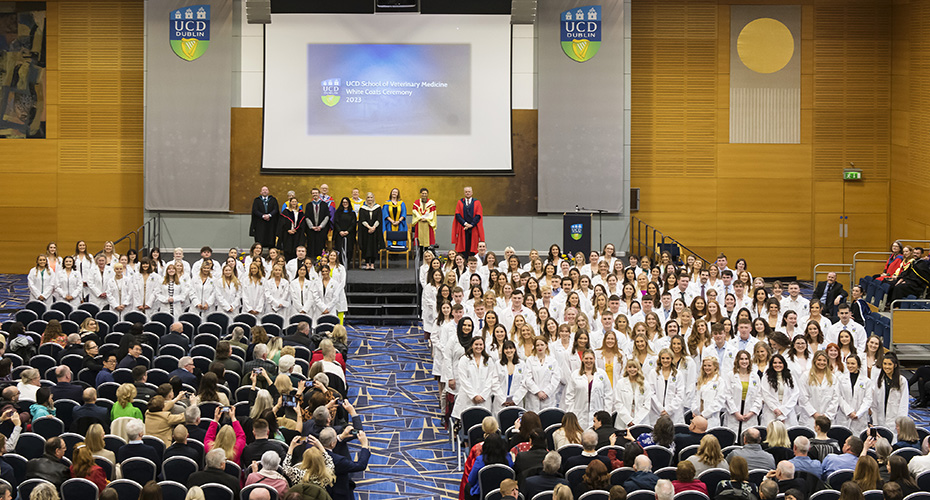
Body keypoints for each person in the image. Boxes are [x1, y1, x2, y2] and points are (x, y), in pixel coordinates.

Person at [323, 426, 370, 500]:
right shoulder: (339, 461)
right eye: (336, 438)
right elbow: (360, 465)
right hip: (338, 494)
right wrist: (365, 446)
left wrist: (341, 437)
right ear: (332, 444)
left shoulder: (312, 450)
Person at [872, 353, 910, 429]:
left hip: (895, 419)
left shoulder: (901, 380)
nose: (887, 367)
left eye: (890, 364)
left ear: (895, 365)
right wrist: (875, 421)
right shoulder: (879, 380)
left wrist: (900, 422)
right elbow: (874, 403)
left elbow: (904, 403)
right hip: (881, 418)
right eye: (885, 364)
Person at [452, 186, 484, 258]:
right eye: (466, 192)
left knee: (473, 247)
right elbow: (457, 214)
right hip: (463, 228)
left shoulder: (477, 202)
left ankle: (472, 261)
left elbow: (478, 215)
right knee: (463, 247)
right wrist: (465, 224)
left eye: (469, 192)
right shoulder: (460, 202)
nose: (467, 193)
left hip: (474, 228)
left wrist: (471, 224)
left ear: (472, 193)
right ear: (464, 193)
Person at [357, 193, 382, 270]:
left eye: (371, 197)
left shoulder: (377, 208)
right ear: (366, 199)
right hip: (365, 231)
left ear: (373, 198)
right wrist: (369, 227)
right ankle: (367, 264)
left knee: (374, 247)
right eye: (368, 197)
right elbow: (362, 219)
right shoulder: (362, 208)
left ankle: (372, 264)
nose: (370, 199)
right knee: (366, 247)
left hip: (375, 231)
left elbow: (379, 219)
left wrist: (373, 227)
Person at [278, 196, 307, 262]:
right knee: (288, 249)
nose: (294, 203)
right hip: (287, 234)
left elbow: (302, 223)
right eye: (292, 202)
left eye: (295, 202)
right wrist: (288, 230)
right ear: (290, 203)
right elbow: (282, 223)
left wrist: (297, 229)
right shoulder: (286, 212)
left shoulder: (300, 212)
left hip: (297, 234)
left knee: (295, 249)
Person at [411, 188, 437, 255]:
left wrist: (426, 219)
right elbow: (415, 212)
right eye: (423, 193)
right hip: (419, 223)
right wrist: (420, 218)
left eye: (425, 194)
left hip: (427, 223)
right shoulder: (416, 203)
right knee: (420, 239)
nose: (424, 195)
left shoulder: (431, 203)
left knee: (427, 240)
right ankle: (420, 255)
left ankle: (426, 254)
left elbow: (432, 213)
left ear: (427, 194)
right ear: (420, 194)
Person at [306, 188, 330, 260]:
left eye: (316, 193)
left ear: (319, 194)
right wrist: (311, 226)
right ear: (312, 195)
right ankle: (311, 261)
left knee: (321, 245)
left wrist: (321, 226)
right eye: (313, 193)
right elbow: (306, 217)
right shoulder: (309, 205)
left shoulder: (324, 204)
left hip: (321, 230)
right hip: (311, 230)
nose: (315, 194)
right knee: (311, 245)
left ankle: (320, 260)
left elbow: (327, 216)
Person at [333, 198, 357, 268]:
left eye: (346, 202)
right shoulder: (338, 212)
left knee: (349, 249)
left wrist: (347, 231)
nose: (345, 204)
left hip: (349, 234)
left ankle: (347, 264)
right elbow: (336, 223)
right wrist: (340, 231)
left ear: (349, 203)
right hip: (339, 234)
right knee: (339, 249)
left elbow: (353, 223)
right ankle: (339, 264)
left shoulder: (352, 213)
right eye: (343, 202)